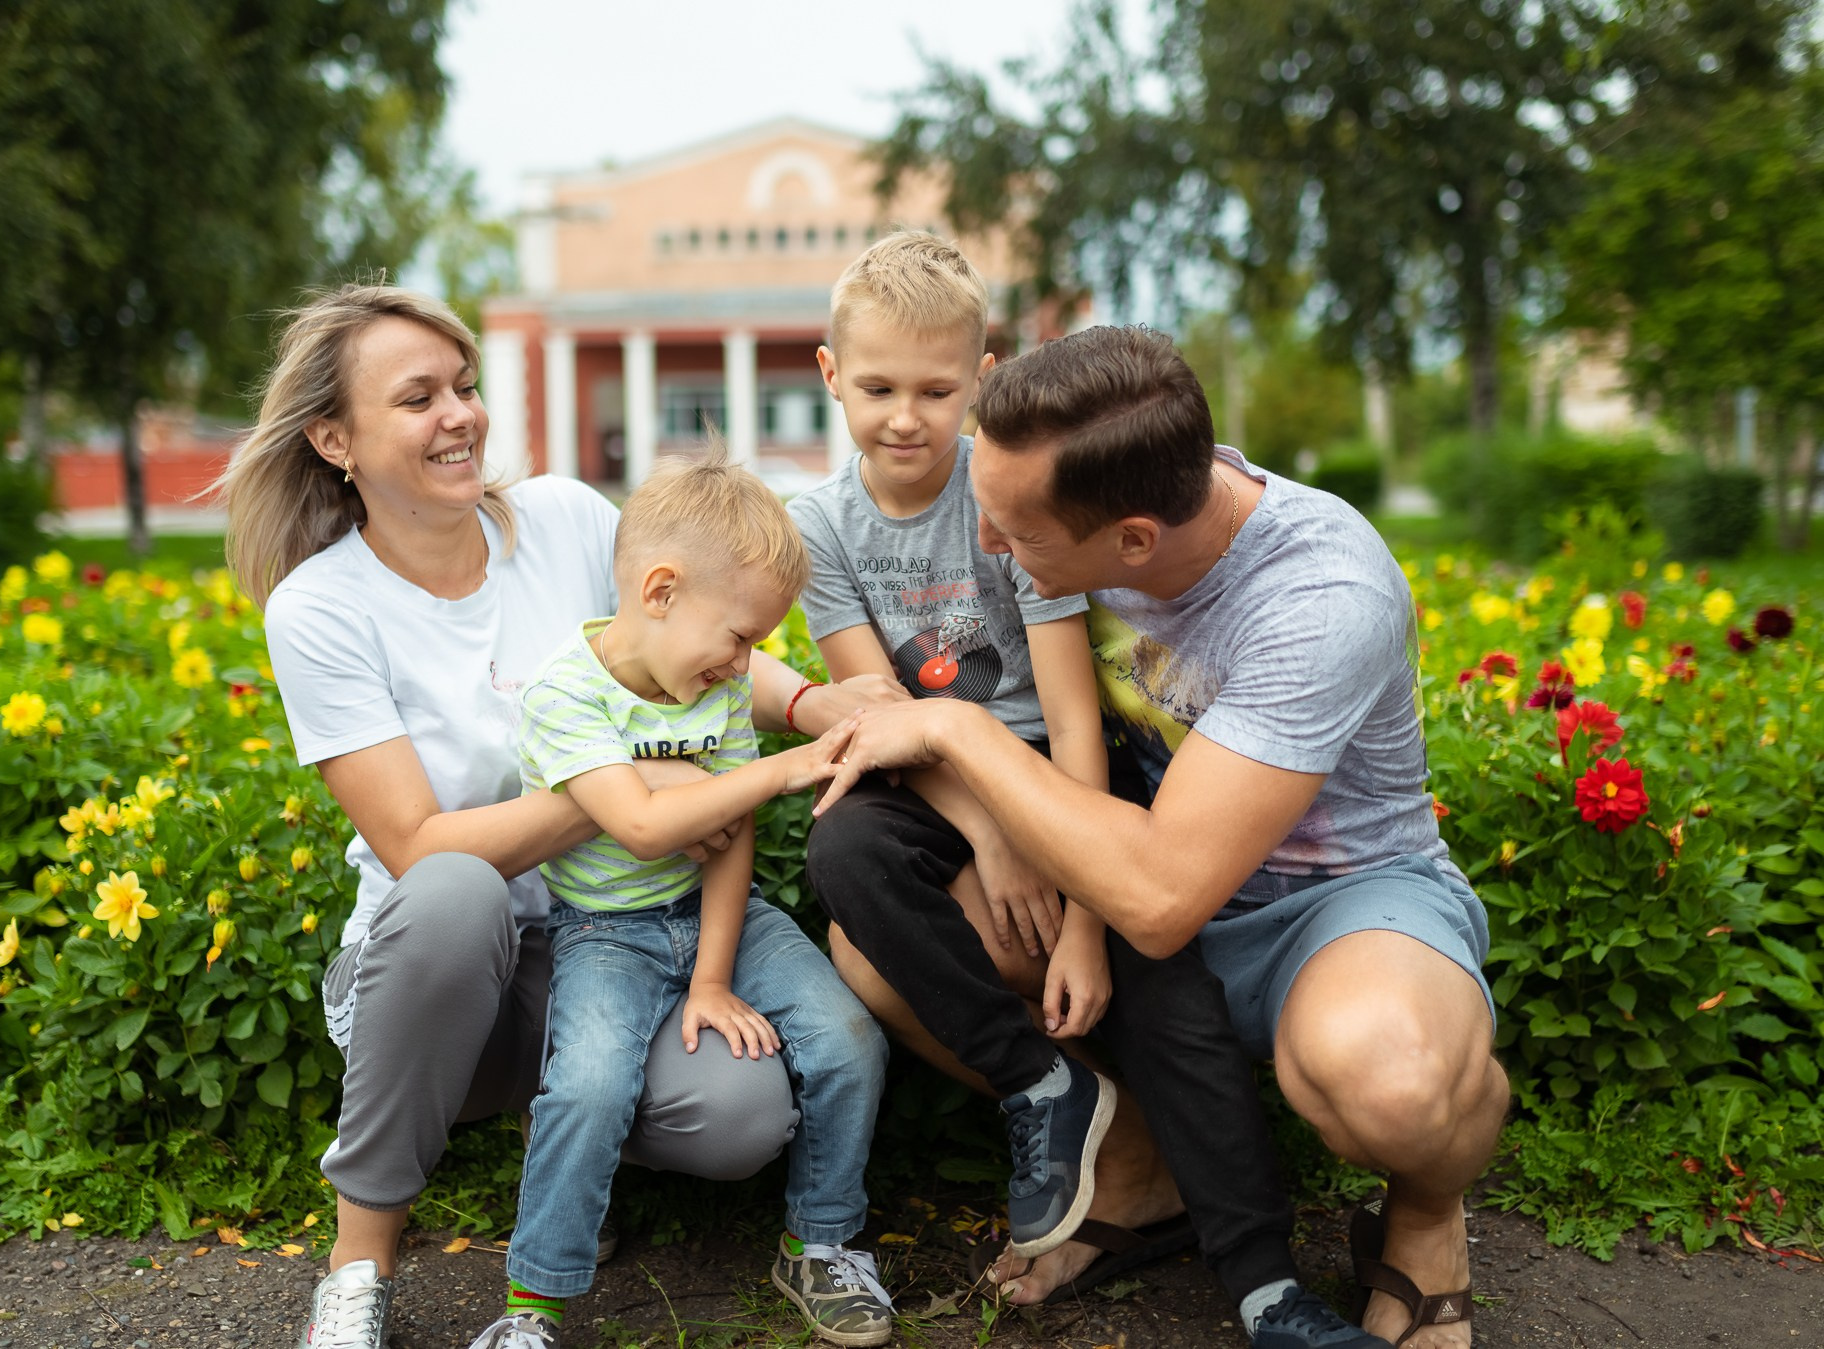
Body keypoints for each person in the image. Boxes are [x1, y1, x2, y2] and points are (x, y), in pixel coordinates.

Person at [227, 284, 897, 1349]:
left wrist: (812, 704)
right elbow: (417, 844)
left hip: (610, 936)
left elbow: (694, 647)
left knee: (739, 1117)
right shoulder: (319, 605)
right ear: (332, 437)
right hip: (436, 976)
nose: (459, 414)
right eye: (417, 398)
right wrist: (643, 795)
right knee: (450, 888)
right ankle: (359, 1261)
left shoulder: (565, 518)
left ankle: (570, 1134)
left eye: (464, 385)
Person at [815, 325, 1507, 1349]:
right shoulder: (1086, 495)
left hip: (1329, 901)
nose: (990, 546)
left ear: (1132, 543)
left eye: (1015, 530)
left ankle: (1420, 1213)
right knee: (875, 953)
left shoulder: (1319, 593)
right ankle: (1136, 1160)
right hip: (1132, 869)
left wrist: (955, 727)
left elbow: (1159, 894)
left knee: (1390, 1083)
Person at [464, 451, 889, 1349]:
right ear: (659, 590)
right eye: (738, 636)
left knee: (850, 1040)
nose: (748, 663)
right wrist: (782, 768)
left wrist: (711, 977)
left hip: (715, 910)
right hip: (604, 932)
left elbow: (727, 844)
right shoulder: (564, 694)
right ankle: (532, 1304)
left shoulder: (719, 682)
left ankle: (822, 1239)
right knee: (587, 1084)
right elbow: (643, 829)